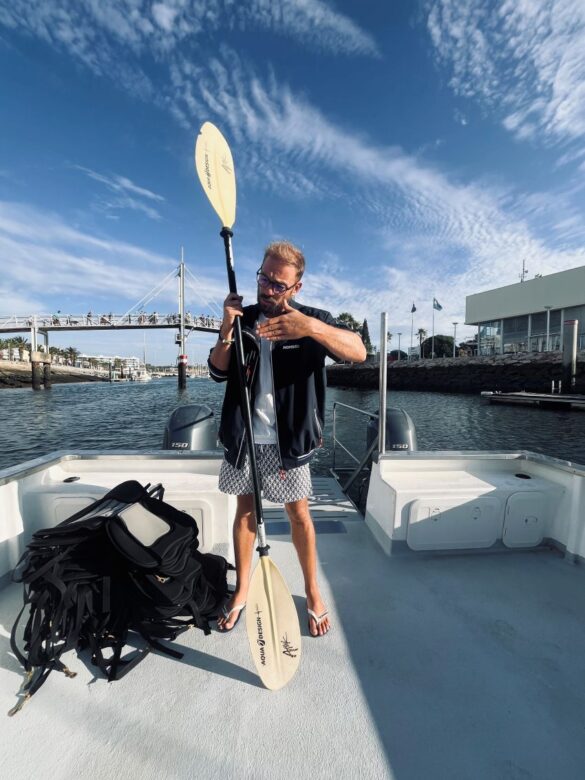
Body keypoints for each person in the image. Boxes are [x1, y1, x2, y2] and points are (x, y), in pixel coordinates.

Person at [208, 241, 366, 636]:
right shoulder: (241, 318)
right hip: (244, 438)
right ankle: (243, 589)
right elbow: (216, 371)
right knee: (245, 514)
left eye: (278, 284)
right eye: (264, 277)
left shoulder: (315, 320)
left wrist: (309, 327)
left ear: (296, 287)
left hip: (290, 442)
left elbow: (359, 352)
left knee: (299, 516)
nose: (267, 289)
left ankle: (312, 592)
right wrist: (227, 330)